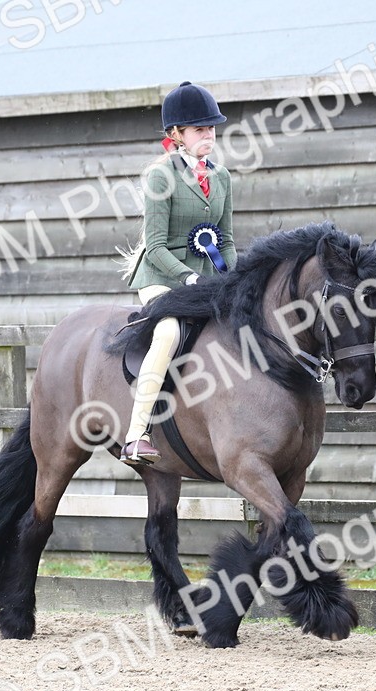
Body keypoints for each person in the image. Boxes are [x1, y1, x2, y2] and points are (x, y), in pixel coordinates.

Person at [118, 81, 238, 465]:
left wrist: (230, 277)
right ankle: (137, 434)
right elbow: (154, 245)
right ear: (177, 135)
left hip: (206, 278)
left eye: (211, 128)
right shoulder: (159, 176)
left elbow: (228, 239)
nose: (209, 134)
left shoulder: (221, 178)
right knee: (170, 331)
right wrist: (189, 279)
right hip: (161, 277)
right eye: (200, 128)